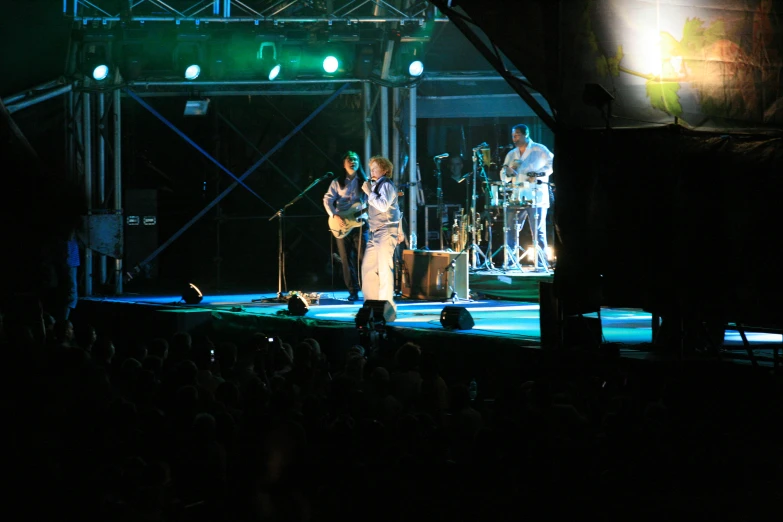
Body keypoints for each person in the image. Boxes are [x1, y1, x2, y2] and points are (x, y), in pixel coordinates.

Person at [500, 124, 554, 271]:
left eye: (517, 135)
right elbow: (503, 175)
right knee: (510, 228)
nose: (514, 138)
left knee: (538, 230)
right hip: (517, 196)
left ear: (526, 135)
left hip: (536, 196)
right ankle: (510, 262)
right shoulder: (511, 154)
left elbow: (551, 164)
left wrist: (537, 174)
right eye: (513, 135)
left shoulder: (539, 149)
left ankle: (541, 263)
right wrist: (510, 172)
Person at [323, 151, 369, 301]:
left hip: (360, 222)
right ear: (344, 163)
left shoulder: (365, 181)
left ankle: (369, 290)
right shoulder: (337, 182)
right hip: (341, 223)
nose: (353, 161)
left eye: (355, 159)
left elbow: (373, 200)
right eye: (349, 159)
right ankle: (353, 291)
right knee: (345, 259)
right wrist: (334, 215)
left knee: (365, 258)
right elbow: (327, 199)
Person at [361, 156, 402, 305]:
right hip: (375, 231)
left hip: (385, 230)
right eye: (371, 168)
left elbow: (384, 206)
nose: (372, 171)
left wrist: (368, 192)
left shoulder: (386, 185)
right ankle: (371, 303)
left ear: (384, 170)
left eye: (375, 168)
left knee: (385, 270)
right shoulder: (376, 185)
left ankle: (386, 306)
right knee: (368, 267)